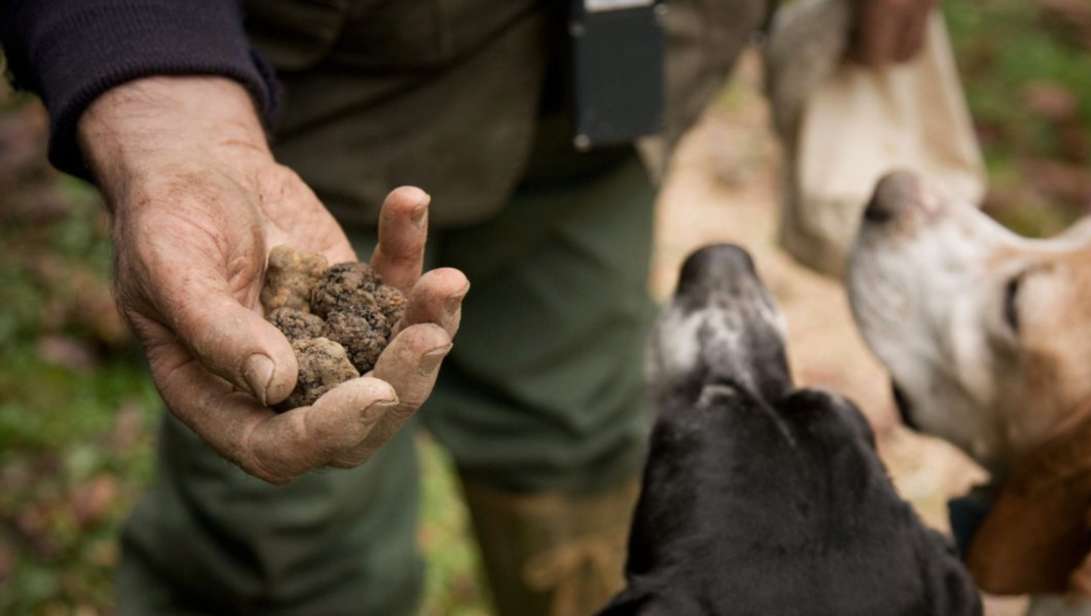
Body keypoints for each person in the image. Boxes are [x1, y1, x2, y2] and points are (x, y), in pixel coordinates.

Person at [0, 1, 935, 614]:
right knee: (285, 540)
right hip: (296, 115)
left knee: (576, 442)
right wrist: (163, 98)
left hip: (610, 89)